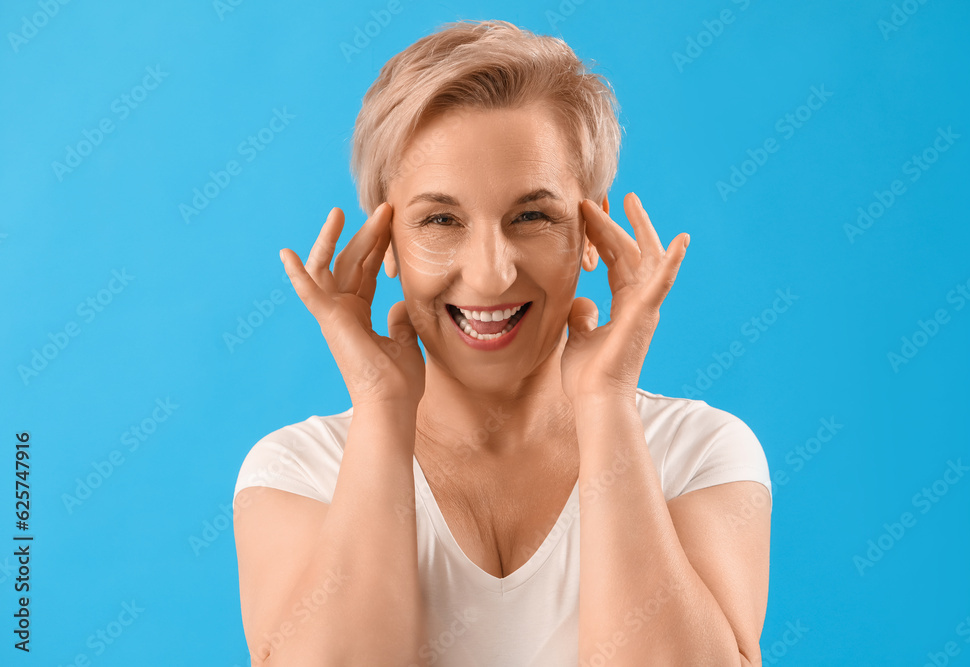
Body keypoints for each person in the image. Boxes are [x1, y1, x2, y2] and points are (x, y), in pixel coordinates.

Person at [233, 18, 771, 667]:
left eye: (531, 216)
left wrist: (605, 404)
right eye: (440, 219)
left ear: (591, 231)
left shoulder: (699, 453)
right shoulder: (297, 472)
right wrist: (380, 408)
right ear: (386, 244)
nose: (491, 272)